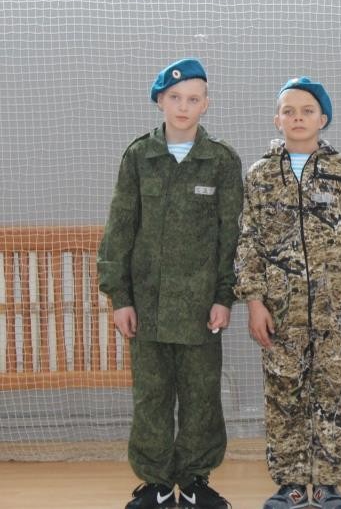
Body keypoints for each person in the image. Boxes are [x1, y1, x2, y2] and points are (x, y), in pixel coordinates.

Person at [98, 58, 243, 509]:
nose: (183, 106)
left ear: (206, 105)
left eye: (193, 99)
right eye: (175, 97)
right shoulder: (139, 157)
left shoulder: (221, 161)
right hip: (148, 307)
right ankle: (156, 485)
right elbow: (120, 229)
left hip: (201, 309)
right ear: (160, 101)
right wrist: (120, 297)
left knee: (202, 396)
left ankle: (196, 481)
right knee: (152, 397)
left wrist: (224, 297)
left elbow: (232, 236)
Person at [235, 76, 341, 509]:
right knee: (284, 398)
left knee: (333, 397)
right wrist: (254, 302)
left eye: (307, 111)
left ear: (323, 118)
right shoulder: (260, 176)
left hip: (335, 309)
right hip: (280, 313)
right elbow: (248, 241)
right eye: (289, 111)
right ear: (276, 119)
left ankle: (328, 484)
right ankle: (291, 484)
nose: (298, 118)